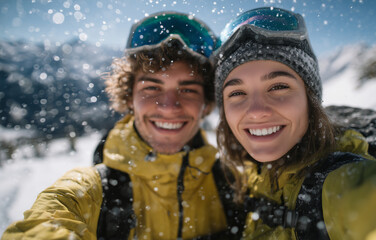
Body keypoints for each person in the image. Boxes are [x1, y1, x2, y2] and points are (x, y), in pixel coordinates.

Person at [2, 11, 243, 240]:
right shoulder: (89, 191)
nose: (169, 107)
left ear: (208, 103)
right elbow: (47, 220)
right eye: (152, 88)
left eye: (188, 89)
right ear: (129, 98)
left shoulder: (234, 186)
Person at [213, 7, 376, 240]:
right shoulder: (239, 174)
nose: (256, 111)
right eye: (236, 92)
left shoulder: (341, 182)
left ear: (310, 100)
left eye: (278, 87)